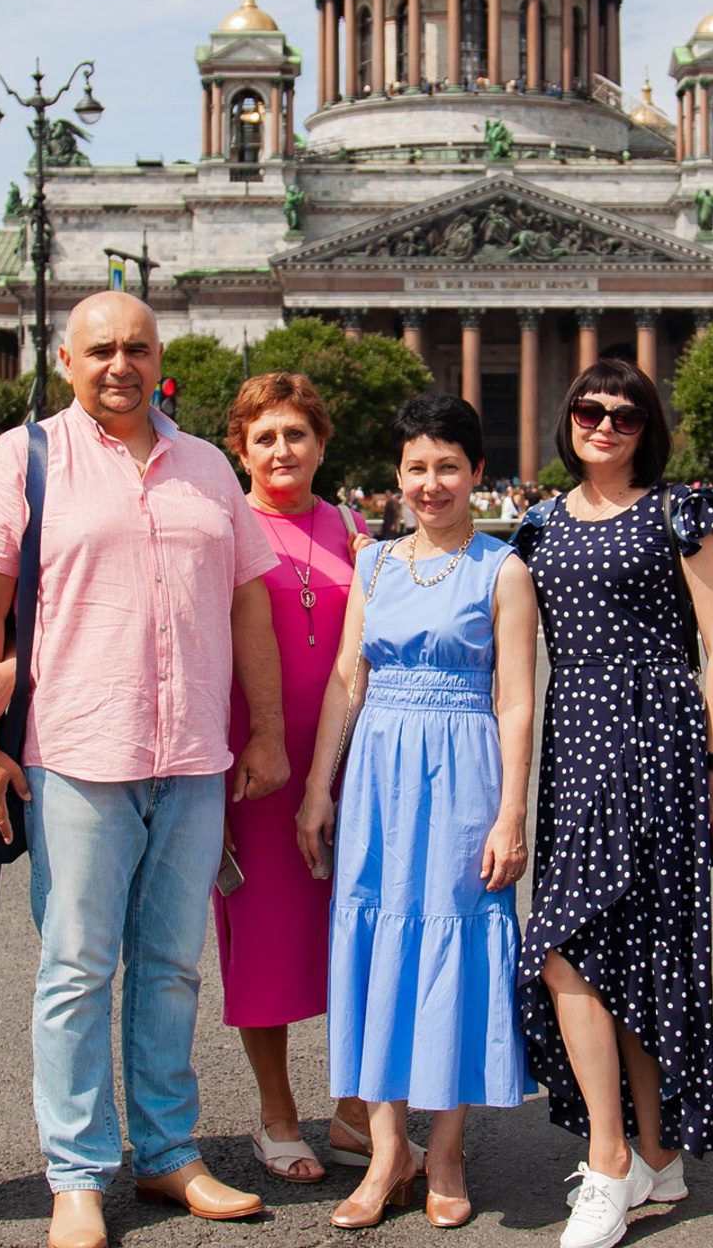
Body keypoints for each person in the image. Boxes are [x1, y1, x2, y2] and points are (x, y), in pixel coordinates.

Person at [0, 293, 289, 1248]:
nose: (119, 365)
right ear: (65, 360)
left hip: (189, 759)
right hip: (77, 756)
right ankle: (78, 1172)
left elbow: (249, 610)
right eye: (100, 349)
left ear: (160, 355)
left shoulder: (209, 467)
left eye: (136, 347)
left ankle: (169, 1154)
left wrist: (265, 733)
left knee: (173, 969)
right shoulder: (27, 460)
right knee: (75, 970)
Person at [512, 361, 713, 1248]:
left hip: (656, 739)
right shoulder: (536, 527)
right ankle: (652, 1151)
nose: (603, 426)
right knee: (593, 945)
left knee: (601, 944)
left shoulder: (680, 511)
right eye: (588, 410)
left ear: (649, 428)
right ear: (566, 419)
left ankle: (614, 1161)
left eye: (625, 415)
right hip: (576, 745)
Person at [297, 393, 535, 1230]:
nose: (430, 484)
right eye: (415, 469)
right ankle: (389, 1148)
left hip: (464, 767)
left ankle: (446, 1149)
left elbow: (515, 701)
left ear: (477, 473)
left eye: (447, 468)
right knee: (377, 946)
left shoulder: (503, 569)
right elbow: (347, 682)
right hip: (378, 775)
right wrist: (319, 787)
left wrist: (511, 814)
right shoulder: (374, 564)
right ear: (396, 477)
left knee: (456, 944)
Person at [214, 373, 374, 1182]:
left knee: (354, 934)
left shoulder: (350, 525)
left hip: (346, 759)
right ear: (239, 448)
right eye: (265, 436)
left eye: (297, 434)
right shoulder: (223, 524)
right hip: (259, 766)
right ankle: (277, 1114)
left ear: (322, 442)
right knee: (266, 938)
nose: (282, 450)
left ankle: (350, 1111)